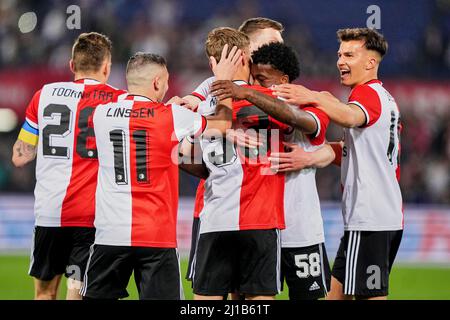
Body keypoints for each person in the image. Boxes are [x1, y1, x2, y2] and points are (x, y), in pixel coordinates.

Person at [81, 47, 241, 300]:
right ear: (157, 82)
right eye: (166, 82)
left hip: (109, 234)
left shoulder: (101, 113)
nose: (167, 87)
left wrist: (167, 110)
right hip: (155, 237)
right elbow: (221, 125)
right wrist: (223, 82)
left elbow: (137, 120)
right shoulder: (173, 116)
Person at [272, 27, 403, 300]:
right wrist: (309, 155)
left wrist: (314, 96)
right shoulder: (383, 97)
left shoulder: (366, 95)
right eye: (339, 54)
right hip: (373, 219)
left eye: (349, 55)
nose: (340, 61)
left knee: (370, 296)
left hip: (370, 220)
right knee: (336, 295)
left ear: (370, 62)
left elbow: (349, 117)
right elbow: (348, 148)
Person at [211, 42, 334, 300]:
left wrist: (310, 157)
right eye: (252, 77)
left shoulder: (310, 107)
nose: (254, 83)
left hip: (299, 226)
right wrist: (227, 131)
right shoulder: (240, 105)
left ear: (284, 80)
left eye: (261, 79)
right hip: (256, 223)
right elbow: (202, 133)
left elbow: (313, 133)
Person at [11, 32, 126, 300]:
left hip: (50, 213)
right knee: (77, 291)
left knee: (44, 293)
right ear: (107, 67)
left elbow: (20, 156)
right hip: (91, 215)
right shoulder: (119, 101)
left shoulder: (44, 96)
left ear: (72, 65)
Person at [184, 17, 285, 286]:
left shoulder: (199, 107)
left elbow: (183, 155)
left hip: (214, 215)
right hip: (257, 217)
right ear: (246, 54)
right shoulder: (267, 99)